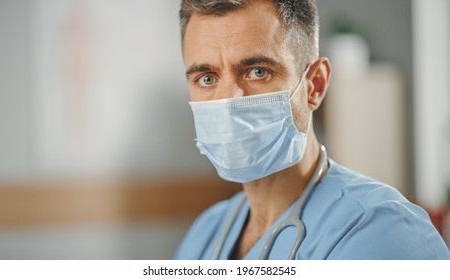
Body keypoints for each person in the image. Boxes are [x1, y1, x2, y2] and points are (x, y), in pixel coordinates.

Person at [174, 0, 450, 259]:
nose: (228, 100)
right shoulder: (207, 232)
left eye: (258, 71)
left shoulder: (382, 233)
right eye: (206, 78)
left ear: (314, 85)